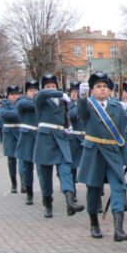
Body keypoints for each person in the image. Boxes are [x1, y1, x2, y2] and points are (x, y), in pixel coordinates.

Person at [77, 72, 127, 241]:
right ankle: (94, 224)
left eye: (105, 87)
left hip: (113, 152)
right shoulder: (88, 105)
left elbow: (122, 134)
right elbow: (81, 113)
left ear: (110, 91)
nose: (102, 90)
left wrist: (126, 156)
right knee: (93, 190)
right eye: (98, 87)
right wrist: (81, 96)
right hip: (94, 152)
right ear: (92, 91)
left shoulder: (118, 107)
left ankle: (118, 229)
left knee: (118, 188)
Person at [32, 74, 83, 219]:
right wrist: (60, 93)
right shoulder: (40, 99)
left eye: (53, 86)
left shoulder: (63, 101)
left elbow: (66, 117)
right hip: (45, 139)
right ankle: (47, 203)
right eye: (48, 86)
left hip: (61, 138)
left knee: (66, 169)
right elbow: (41, 94)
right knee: (45, 175)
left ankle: (69, 201)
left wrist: (68, 127)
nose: (50, 89)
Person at [15, 80, 40, 204]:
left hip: (40, 137)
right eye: (31, 90)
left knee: (41, 168)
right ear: (26, 92)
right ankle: (29, 193)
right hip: (27, 138)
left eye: (36, 90)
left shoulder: (41, 102)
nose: (34, 92)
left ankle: (46, 194)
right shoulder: (22, 101)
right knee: (27, 167)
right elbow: (32, 105)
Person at [0, 86, 21, 192]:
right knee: (11, 160)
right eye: (12, 94)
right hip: (9, 134)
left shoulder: (22, 102)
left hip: (20, 133)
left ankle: (24, 182)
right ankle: (14, 183)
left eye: (16, 94)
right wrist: (19, 113)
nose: (14, 96)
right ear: (8, 95)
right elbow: (3, 114)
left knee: (23, 159)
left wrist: (12, 114)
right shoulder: (3, 103)